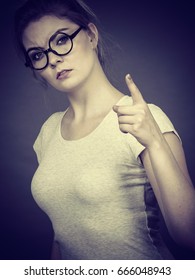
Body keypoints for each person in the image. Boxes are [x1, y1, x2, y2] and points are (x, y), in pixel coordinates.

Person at [14, 0, 195, 260]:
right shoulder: (48, 131)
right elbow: (62, 236)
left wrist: (154, 141)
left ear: (91, 35)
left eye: (61, 40)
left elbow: (189, 235)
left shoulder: (144, 118)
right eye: (38, 55)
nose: (53, 59)